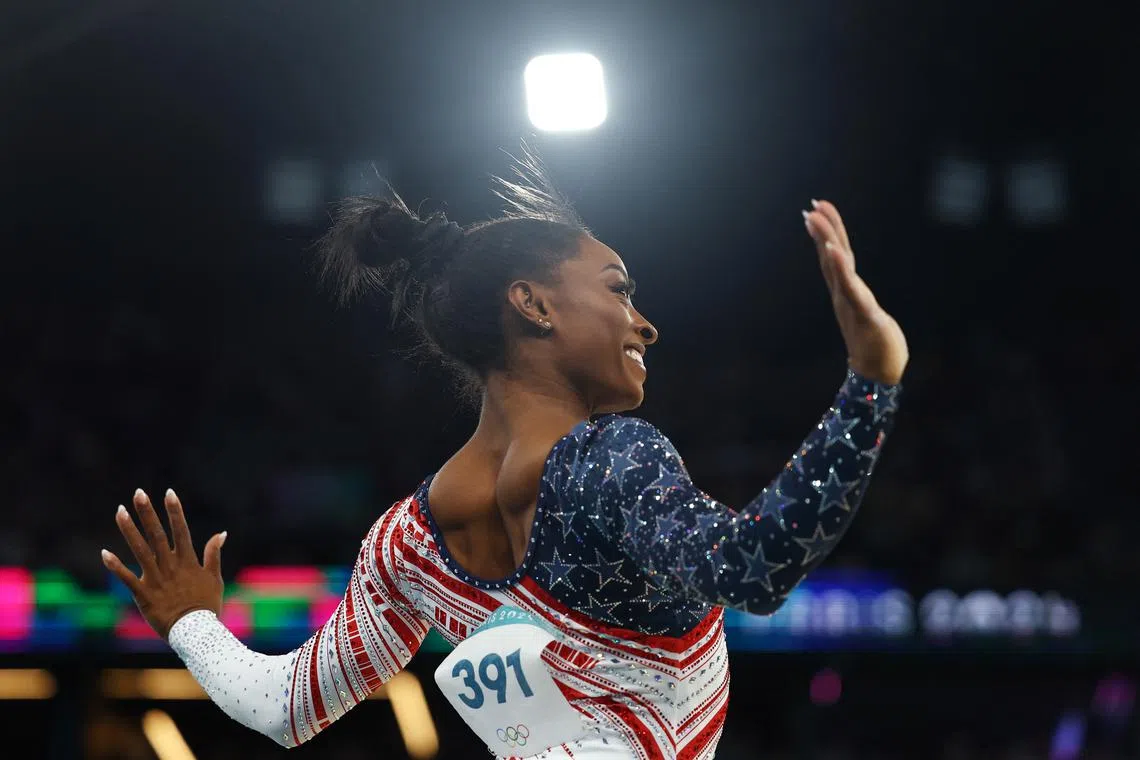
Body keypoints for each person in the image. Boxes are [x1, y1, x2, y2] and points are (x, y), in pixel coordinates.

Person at [102, 153, 907, 759]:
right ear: (532, 303)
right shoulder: (609, 463)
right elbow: (753, 567)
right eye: (619, 288)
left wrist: (192, 623)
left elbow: (285, 709)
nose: (645, 323)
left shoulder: (405, 545)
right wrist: (872, 382)